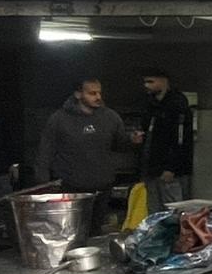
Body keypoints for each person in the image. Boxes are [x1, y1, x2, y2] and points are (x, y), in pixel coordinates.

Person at [34, 79, 139, 236]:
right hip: (71, 186)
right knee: (71, 231)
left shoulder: (110, 117)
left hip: (101, 184)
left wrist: (132, 140)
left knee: (95, 231)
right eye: (92, 93)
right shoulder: (59, 119)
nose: (97, 97)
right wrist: (43, 181)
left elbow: (120, 144)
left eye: (99, 92)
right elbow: (46, 150)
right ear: (78, 94)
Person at [139, 68, 195, 211]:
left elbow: (180, 140)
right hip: (152, 167)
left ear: (164, 82)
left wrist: (172, 167)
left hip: (170, 169)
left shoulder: (177, 105)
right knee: (153, 208)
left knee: (172, 208)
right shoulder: (150, 105)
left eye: (151, 82)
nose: (147, 85)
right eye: (145, 82)